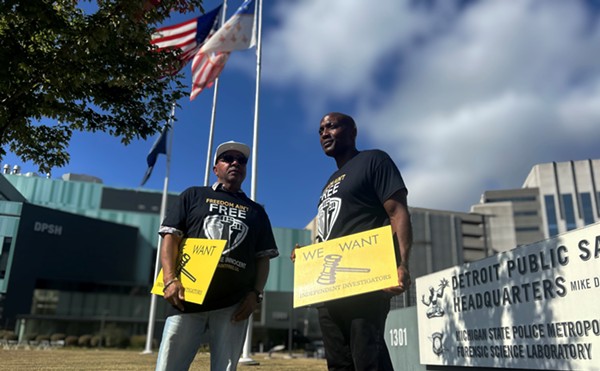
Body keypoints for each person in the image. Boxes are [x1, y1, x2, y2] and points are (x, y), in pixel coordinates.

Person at [293, 112, 412, 370]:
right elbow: (332, 232)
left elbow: (397, 212)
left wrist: (401, 263)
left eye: (332, 126)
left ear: (352, 131)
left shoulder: (374, 160)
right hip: (328, 290)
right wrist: (309, 256)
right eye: (321, 130)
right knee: (339, 364)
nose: (324, 133)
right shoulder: (328, 184)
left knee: (369, 359)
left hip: (365, 282)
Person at [155, 140, 279, 371]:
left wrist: (255, 294)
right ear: (215, 168)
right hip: (187, 298)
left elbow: (263, 257)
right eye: (227, 159)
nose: (235, 163)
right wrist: (170, 279)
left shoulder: (257, 211)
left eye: (241, 160)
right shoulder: (193, 195)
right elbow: (170, 238)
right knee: (169, 366)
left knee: (225, 367)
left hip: (234, 304)